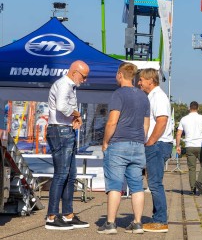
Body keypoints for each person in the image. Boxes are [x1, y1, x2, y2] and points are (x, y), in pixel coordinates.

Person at [98, 63, 150, 235]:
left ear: (120, 75)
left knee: (114, 185)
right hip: (137, 145)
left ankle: (111, 224)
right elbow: (146, 124)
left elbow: (112, 121)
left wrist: (105, 141)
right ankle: (137, 223)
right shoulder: (144, 96)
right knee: (137, 186)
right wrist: (140, 140)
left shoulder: (118, 94)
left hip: (119, 144)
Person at [45, 60, 90, 231]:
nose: (84, 80)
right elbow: (62, 106)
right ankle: (52, 216)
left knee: (71, 175)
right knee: (61, 174)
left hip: (65, 130)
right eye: (83, 76)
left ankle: (68, 214)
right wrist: (77, 115)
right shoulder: (64, 84)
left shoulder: (69, 85)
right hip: (60, 131)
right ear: (74, 72)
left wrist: (75, 118)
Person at [138, 68, 174, 233]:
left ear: (150, 81)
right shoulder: (153, 96)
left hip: (158, 144)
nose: (139, 82)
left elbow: (162, 121)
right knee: (154, 182)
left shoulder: (158, 97)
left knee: (154, 183)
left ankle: (160, 220)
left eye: (141, 80)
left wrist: (150, 141)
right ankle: (157, 218)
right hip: (157, 143)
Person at [176, 101, 202, 196]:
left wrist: (178, 146)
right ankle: (199, 181)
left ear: (189, 108)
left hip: (189, 146)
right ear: (198, 108)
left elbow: (178, 133)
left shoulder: (184, 119)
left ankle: (192, 189)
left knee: (192, 168)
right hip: (201, 145)